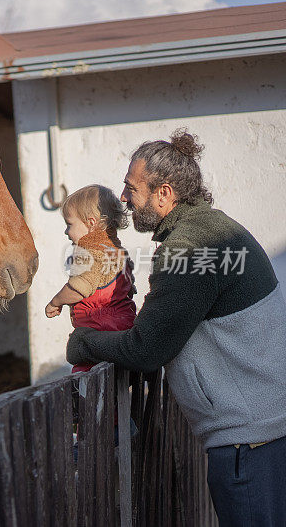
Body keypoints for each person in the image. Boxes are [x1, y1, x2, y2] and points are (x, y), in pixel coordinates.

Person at [66, 129, 286, 526]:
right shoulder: (216, 227)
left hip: (248, 444)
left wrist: (84, 343)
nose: (123, 199)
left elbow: (147, 348)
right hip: (268, 433)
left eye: (132, 189)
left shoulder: (189, 249)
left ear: (164, 193)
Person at [45, 184, 137, 372]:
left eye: (69, 224)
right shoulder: (116, 250)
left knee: (85, 378)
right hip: (123, 328)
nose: (66, 232)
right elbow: (129, 287)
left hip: (98, 331)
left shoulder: (88, 251)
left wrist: (56, 301)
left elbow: (79, 287)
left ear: (91, 223)